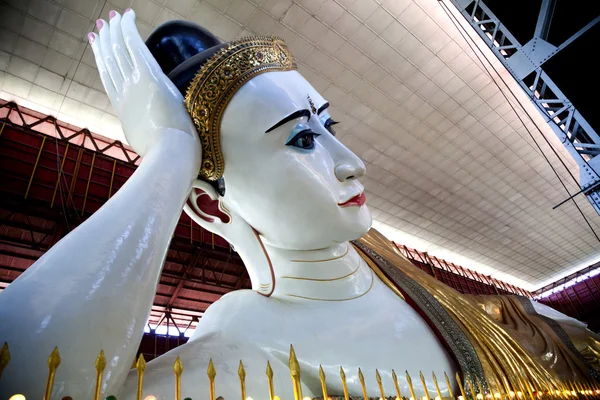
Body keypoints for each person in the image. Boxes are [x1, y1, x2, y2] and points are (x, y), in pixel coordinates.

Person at [0, 9, 598, 400]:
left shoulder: (491, 310)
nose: (350, 160)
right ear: (212, 209)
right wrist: (170, 156)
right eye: (301, 138)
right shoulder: (249, 356)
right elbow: (26, 382)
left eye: (328, 124)